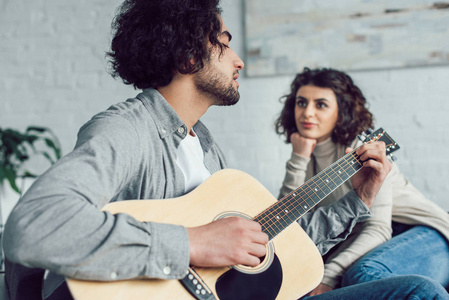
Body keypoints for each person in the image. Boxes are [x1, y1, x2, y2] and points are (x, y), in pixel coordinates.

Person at [2, 0, 446, 299]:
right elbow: (32, 227)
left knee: (412, 290)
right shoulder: (127, 130)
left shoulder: (208, 149)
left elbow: (275, 247)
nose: (238, 60)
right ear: (190, 55)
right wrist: (192, 242)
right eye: (226, 42)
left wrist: (359, 199)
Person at [275, 67, 449, 297]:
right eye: (301, 102)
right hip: (366, 240)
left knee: (363, 275)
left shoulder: (365, 150)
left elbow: (377, 228)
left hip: (421, 231)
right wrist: (299, 158)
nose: (307, 112)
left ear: (341, 111)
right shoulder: (305, 152)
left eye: (321, 104)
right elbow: (285, 224)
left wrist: (329, 275)